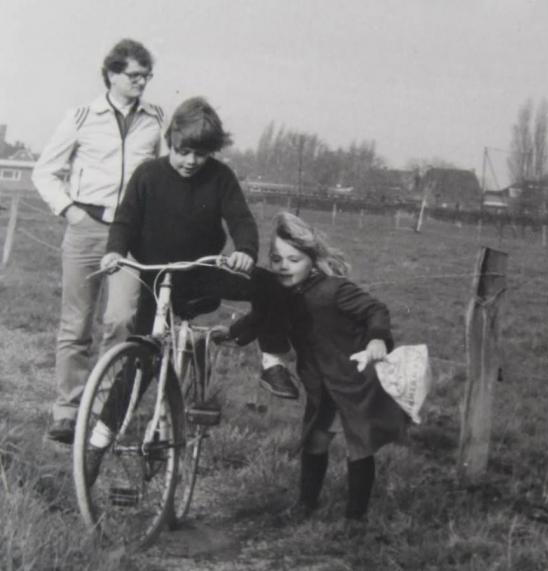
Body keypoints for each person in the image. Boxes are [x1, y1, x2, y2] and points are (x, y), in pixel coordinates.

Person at [84, 97, 298, 481]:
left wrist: (245, 252)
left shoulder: (220, 177)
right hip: (156, 279)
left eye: (201, 154)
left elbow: (241, 221)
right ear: (170, 142)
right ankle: (98, 442)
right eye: (183, 151)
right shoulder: (148, 175)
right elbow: (125, 221)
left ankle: (272, 363)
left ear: (211, 153)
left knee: (269, 285)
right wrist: (115, 252)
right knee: (141, 362)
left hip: (201, 273)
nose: (190, 161)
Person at [32, 39, 164, 444]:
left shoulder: (155, 118)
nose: (142, 82)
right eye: (134, 75)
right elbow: (44, 172)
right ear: (111, 74)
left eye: (147, 75)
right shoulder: (82, 116)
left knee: (121, 320)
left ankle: (103, 411)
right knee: (76, 323)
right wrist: (71, 211)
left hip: (131, 237)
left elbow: (158, 175)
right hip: (87, 227)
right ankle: (68, 411)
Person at [267, 211, 409, 523]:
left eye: (293, 259)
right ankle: (306, 503)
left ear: (311, 260)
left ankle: (355, 518)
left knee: (359, 445)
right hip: (321, 383)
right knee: (316, 440)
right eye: (277, 259)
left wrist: (376, 339)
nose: (283, 267)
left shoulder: (334, 290)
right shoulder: (284, 294)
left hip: (353, 380)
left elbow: (376, 309)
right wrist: (231, 334)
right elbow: (260, 321)